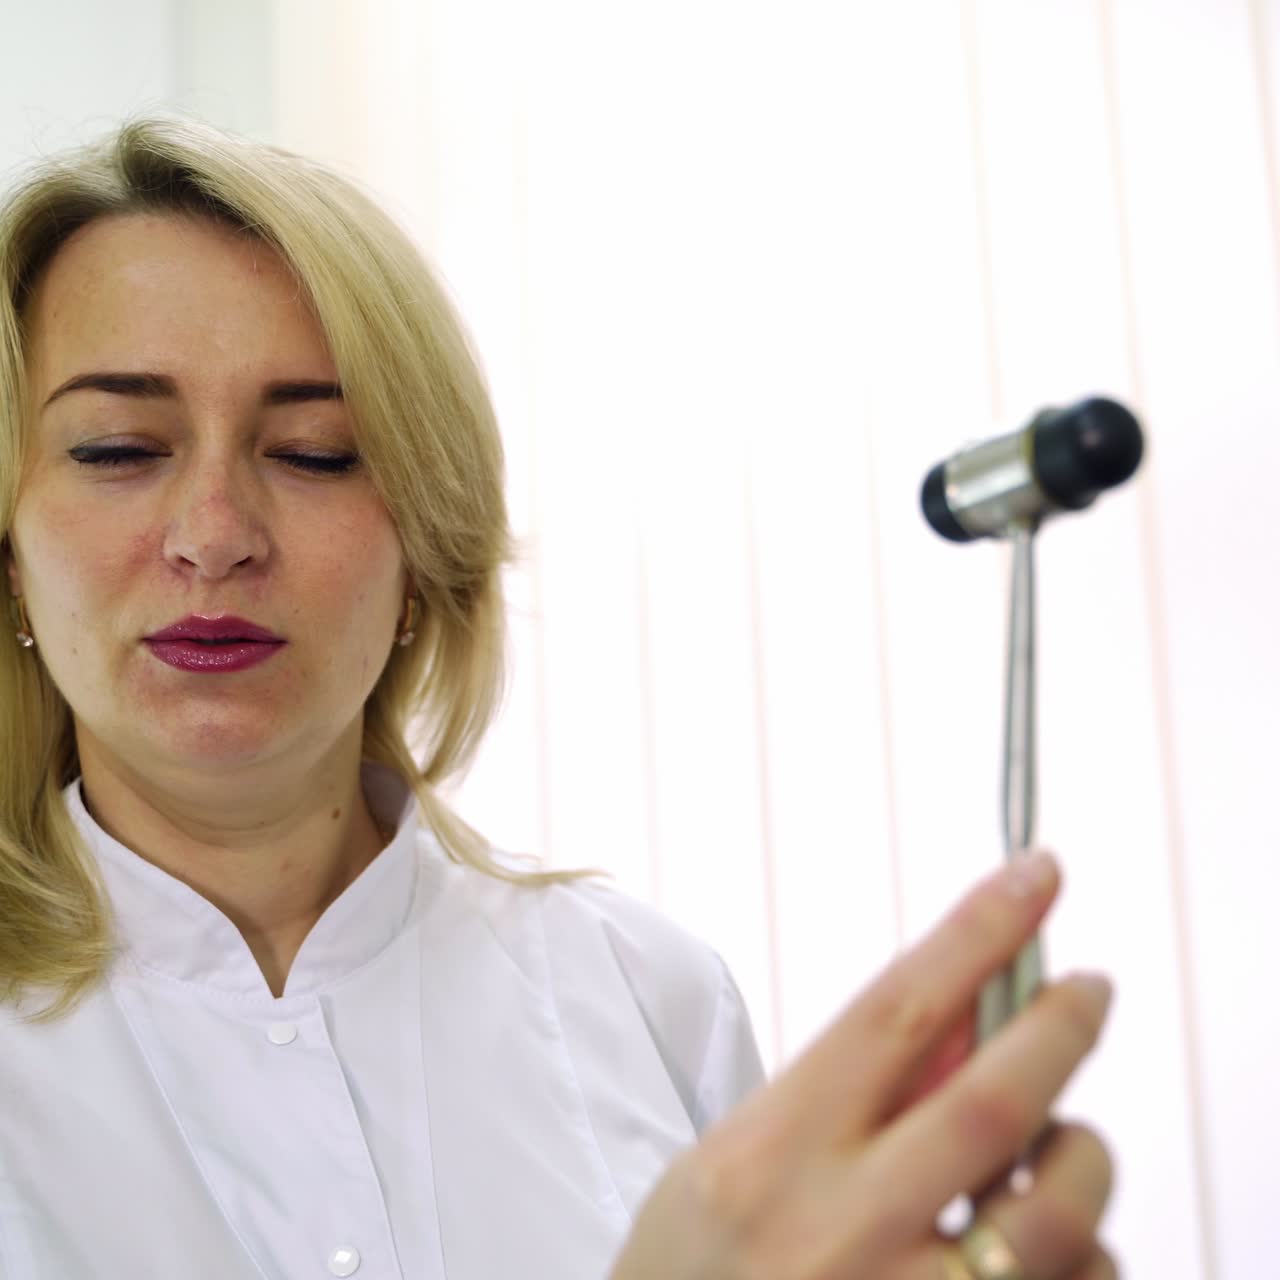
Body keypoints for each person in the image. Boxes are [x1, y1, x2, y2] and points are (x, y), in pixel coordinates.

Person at [0, 113, 1114, 1279]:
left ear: (426, 554)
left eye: (317, 452)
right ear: (12, 551)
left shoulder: (646, 995)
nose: (215, 535)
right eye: (120, 448)